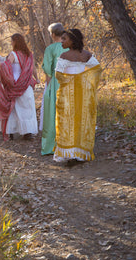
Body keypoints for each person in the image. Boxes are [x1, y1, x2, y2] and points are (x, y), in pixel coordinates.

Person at [53, 28, 102, 164]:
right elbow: (97, 69)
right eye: (61, 38)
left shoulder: (64, 56)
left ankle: (70, 153)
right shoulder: (86, 55)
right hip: (84, 94)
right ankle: (80, 153)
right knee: (81, 120)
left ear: (73, 41)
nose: (61, 41)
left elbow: (58, 75)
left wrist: (71, 80)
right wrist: (85, 80)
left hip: (68, 94)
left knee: (68, 120)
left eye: (64, 39)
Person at [0, 33, 38, 140]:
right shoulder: (28, 54)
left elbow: (4, 67)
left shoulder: (13, 54)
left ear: (15, 42)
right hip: (26, 85)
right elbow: (32, 68)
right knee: (28, 109)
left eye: (12, 41)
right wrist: (37, 78)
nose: (11, 43)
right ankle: (27, 132)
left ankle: (12, 131)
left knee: (14, 110)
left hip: (14, 84)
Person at [40, 23, 68, 155]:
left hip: (55, 82)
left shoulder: (50, 48)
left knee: (52, 113)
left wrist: (49, 87)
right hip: (69, 82)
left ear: (52, 34)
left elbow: (47, 70)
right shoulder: (70, 47)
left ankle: (51, 145)